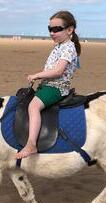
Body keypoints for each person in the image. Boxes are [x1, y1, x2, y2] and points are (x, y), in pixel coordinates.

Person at [16, 10, 81, 159]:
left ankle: (31, 144)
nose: (52, 33)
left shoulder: (68, 47)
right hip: (48, 85)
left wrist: (36, 75)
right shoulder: (59, 46)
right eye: (50, 29)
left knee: (33, 106)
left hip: (56, 87)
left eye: (57, 29)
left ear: (70, 30)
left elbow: (58, 71)